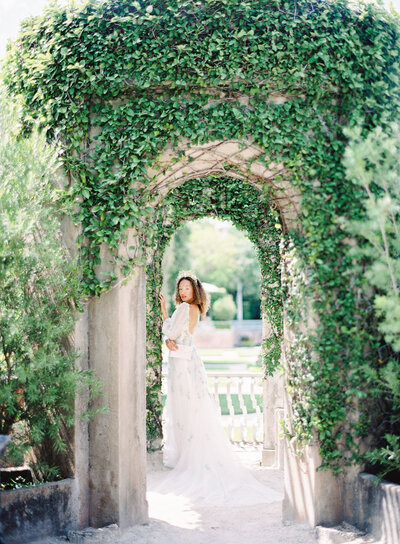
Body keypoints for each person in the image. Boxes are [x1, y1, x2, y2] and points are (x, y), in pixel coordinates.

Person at [154, 270, 282, 506]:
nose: (182, 292)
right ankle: (189, 454)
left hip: (181, 365)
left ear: (195, 291)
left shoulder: (184, 308)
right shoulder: (196, 310)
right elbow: (181, 336)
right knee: (193, 409)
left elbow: (171, 332)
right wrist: (170, 338)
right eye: (180, 289)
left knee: (183, 408)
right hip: (190, 360)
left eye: (187, 289)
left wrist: (163, 315)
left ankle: (187, 458)